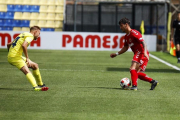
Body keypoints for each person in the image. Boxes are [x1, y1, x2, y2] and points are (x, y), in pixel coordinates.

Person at [110, 18, 158, 91]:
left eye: (121, 25)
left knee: (132, 68)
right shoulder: (126, 36)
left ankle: (134, 86)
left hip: (141, 52)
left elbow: (143, 42)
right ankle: (153, 82)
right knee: (136, 73)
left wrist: (145, 52)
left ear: (126, 25)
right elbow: (125, 47)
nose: (120, 27)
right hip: (139, 53)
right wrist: (116, 54)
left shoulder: (134, 33)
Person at [7, 26, 49, 91]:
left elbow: (8, 44)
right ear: (35, 32)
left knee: (35, 65)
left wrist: (10, 54)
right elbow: (24, 45)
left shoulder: (23, 34)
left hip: (15, 56)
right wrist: (27, 58)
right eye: (39, 33)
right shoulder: (30, 36)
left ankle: (41, 84)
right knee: (27, 71)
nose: (39, 36)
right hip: (15, 57)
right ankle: (35, 87)